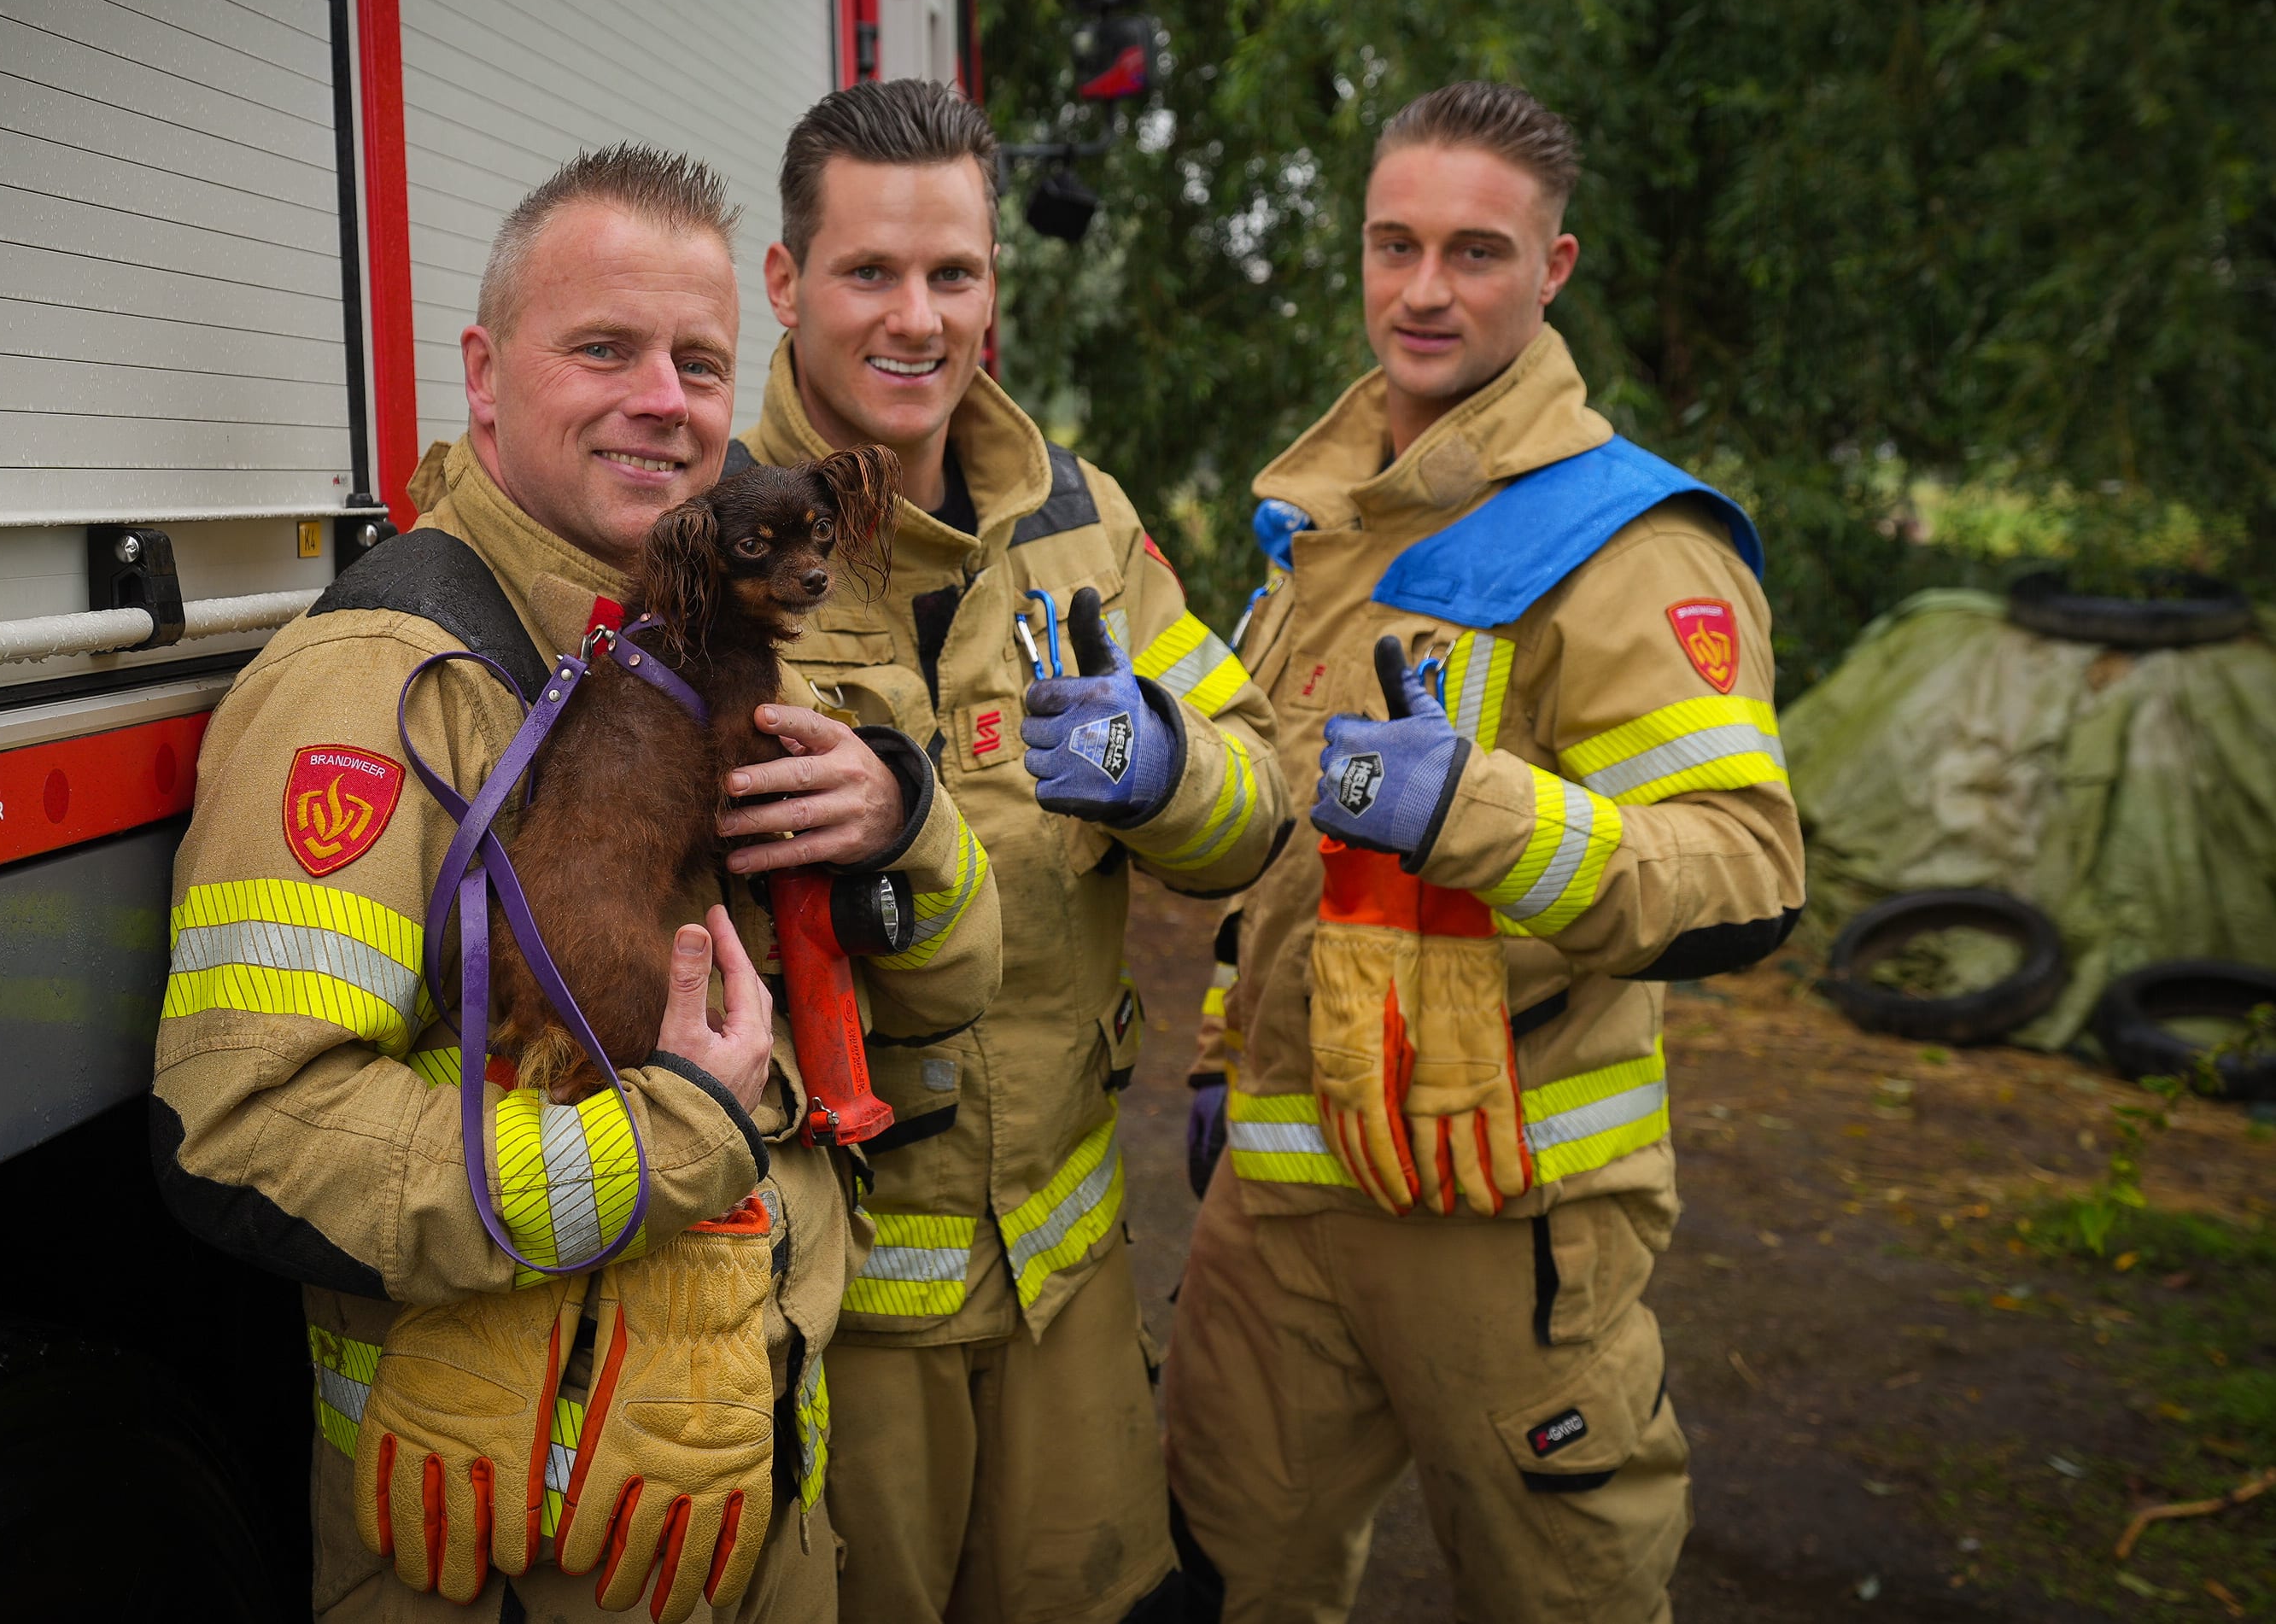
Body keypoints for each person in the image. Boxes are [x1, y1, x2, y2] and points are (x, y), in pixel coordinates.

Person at [151, 144, 1001, 1622]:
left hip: (748, 1492)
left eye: (697, 362)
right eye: (600, 347)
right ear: (484, 374)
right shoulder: (381, 685)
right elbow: (242, 1129)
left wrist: (901, 825)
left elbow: (950, 992)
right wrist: (677, 1139)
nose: (662, 402)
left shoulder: (716, 623)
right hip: (520, 1556)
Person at [1164, 83, 1806, 1623]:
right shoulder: (1321, 520)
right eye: (1395, 244)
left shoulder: (1632, 541)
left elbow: (1743, 873)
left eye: (1474, 250)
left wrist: (1482, 811)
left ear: (1554, 266)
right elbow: (1280, 853)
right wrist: (1213, 1055)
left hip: (1501, 1220)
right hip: (1276, 1206)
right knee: (1212, 1580)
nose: (1425, 289)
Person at [728, 79, 1293, 1624]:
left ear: (995, 285)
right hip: (835, 1314)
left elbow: (1254, 820)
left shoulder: (1081, 523)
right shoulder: (711, 556)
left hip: (1067, 1296)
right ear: (784, 285)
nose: (916, 319)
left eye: (953, 275)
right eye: (869, 274)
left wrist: (1162, 770)